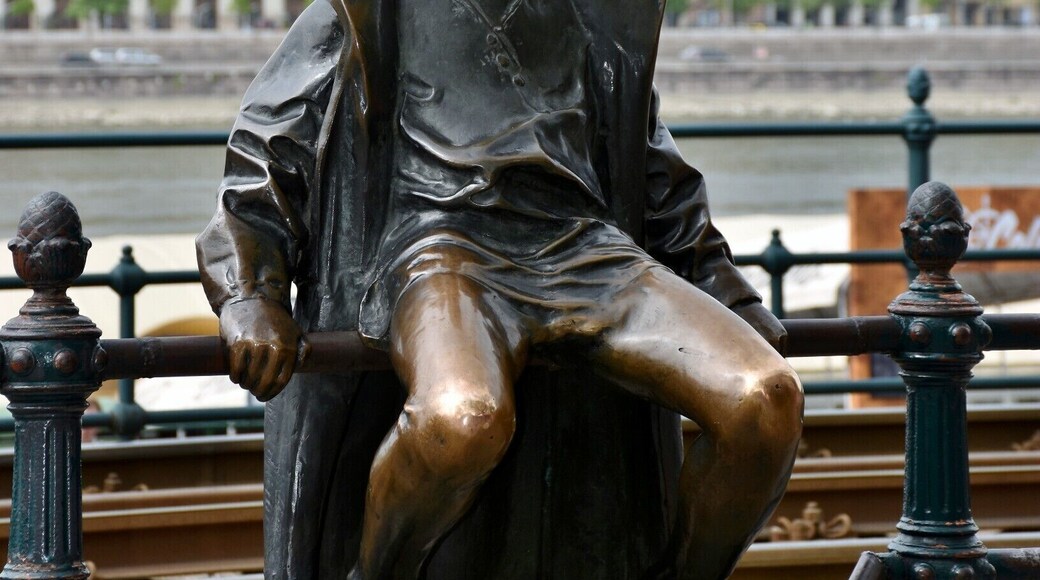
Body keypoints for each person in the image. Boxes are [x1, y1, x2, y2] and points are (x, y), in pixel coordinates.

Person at [196, 1, 804, 578]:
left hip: (590, 251)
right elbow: (265, 154)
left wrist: (726, 290)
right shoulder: (360, 14)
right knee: (460, 419)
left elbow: (657, 175)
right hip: (439, 251)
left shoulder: (593, 17)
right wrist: (250, 293)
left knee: (764, 400)